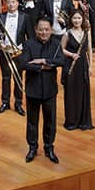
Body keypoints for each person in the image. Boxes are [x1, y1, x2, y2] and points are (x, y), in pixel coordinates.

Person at [17, 16, 66, 164]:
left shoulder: (56, 43)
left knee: (50, 121)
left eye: (46, 29)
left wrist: (43, 60)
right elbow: (23, 64)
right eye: (41, 30)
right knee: (32, 121)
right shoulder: (28, 44)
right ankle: (32, 147)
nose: (44, 32)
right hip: (33, 89)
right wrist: (44, 67)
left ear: (51, 30)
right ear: (35, 30)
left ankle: (49, 147)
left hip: (50, 90)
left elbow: (62, 61)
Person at [0, 0, 28, 116]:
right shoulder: (0, 17)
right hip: (4, 52)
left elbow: (30, 36)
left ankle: (18, 103)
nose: (11, 4)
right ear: (6, 4)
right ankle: (5, 102)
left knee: (18, 78)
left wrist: (24, 49)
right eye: (8, 2)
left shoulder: (25, 17)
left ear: (17, 3)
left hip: (19, 52)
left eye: (13, 2)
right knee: (6, 78)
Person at [61, 9, 94, 131]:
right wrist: (71, 54)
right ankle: (71, 121)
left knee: (83, 92)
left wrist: (91, 66)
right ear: (71, 19)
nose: (77, 20)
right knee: (71, 93)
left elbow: (89, 50)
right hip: (70, 65)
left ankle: (83, 121)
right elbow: (61, 49)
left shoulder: (87, 32)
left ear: (82, 19)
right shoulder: (67, 33)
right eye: (74, 18)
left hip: (83, 65)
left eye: (79, 18)